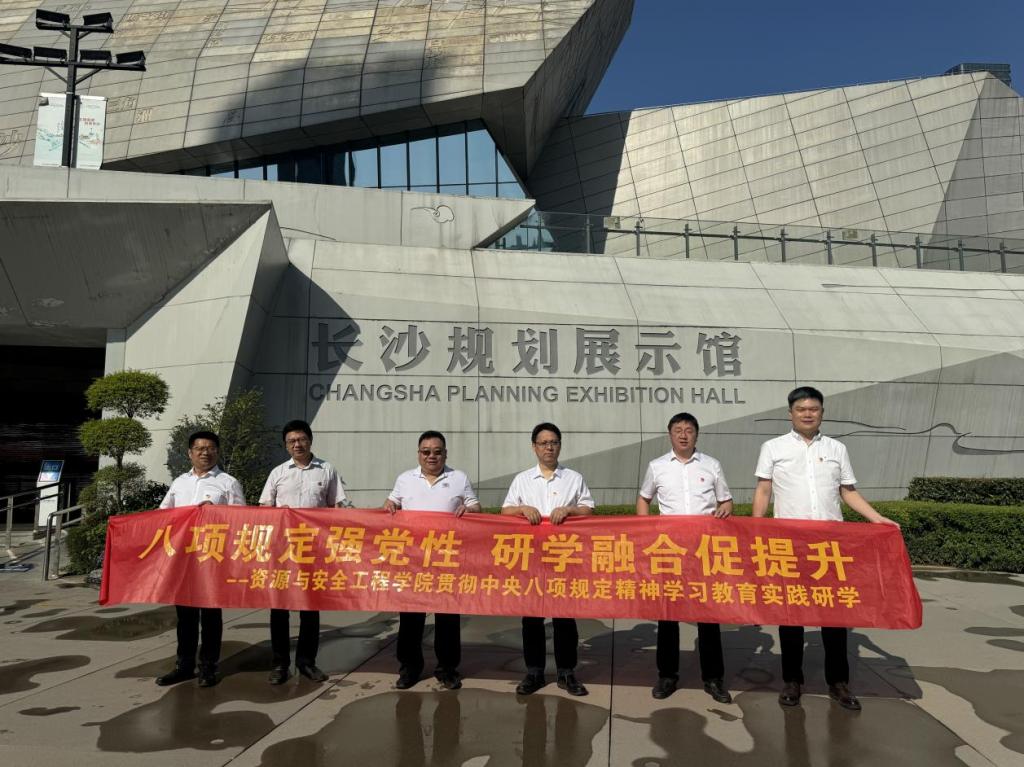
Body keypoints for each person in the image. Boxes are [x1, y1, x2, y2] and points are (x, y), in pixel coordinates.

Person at [752, 386, 899, 711]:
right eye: (801, 409)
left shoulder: (836, 448)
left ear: (821, 413)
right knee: (791, 614)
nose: (807, 414)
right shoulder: (773, 447)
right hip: (789, 545)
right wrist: (756, 529)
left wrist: (877, 518)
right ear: (790, 413)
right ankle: (793, 680)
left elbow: (848, 491)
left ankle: (838, 683)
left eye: (813, 409)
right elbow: (763, 490)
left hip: (830, 546)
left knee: (835, 614)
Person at [636, 412, 733, 703]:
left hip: (704, 551)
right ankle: (667, 675)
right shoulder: (657, 467)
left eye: (688, 430)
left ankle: (713, 678)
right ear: (670, 434)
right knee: (668, 614)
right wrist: (646, 531)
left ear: (696, 435)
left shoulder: (711, 465)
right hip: (670, 551)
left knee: (708, 615)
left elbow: (726, 500)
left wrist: (726, 508)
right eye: (678, 430)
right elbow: (644, 499)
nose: (683, 435)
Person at [502, 422, 594, 697]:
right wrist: (522, 509)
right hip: (531, 559)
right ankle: (534, 672)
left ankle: (567, 672)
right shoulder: (522, 480)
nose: (549, 448)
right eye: (543, 443)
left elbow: (588, 510)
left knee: (564, 617)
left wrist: (570, 511)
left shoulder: (573, 478)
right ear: (534, 447)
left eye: (553, 442)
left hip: (563, 557)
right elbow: (505, 512)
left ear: (559, 446)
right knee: (532, 618)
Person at [384, 430, 480, 690]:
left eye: (437, 452)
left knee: (447, 618)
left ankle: (447, 669)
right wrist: (389, 506)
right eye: (426, 452)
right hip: (413, 561)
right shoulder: (405, 479)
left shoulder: (459, 478)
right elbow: (390, 503)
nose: (431, 456)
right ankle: (409, 668)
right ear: (419, 454)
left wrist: (469, 509)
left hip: (447, 560)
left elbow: (476, 507)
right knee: (410, 618)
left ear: (445, 454)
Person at [259, 418, 347, 685]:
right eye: (291, 441)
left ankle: (307, 662)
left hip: (313, 551)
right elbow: (264, 509)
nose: (297, 445)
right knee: (279, 608)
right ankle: (280, 664)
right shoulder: (277, 473)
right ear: (286, 446)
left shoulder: (327, 470)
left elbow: (338, 507)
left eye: (301, 440)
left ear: (310, 440)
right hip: (282, 552)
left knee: (310, 608)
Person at [156, 430, 245, 688]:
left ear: (217, 452)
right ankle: (183, 666)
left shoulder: (228, 483)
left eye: (210, 448)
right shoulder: (179, 482)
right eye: (199, 448)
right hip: (183, 559)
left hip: (212, 559)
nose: (205, 453)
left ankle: (208, 667)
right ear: (190, 453)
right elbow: (163, 514)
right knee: (185, 617)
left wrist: (216, 513)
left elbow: (241, 520)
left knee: (210, 616)